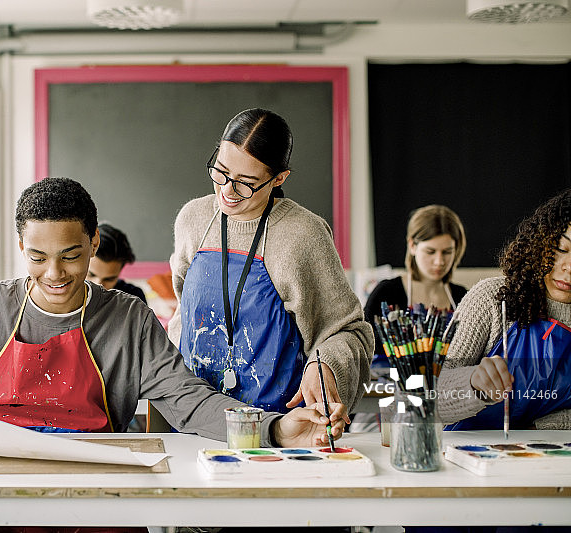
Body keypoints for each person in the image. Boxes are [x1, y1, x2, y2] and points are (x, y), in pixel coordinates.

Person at [0, 177, 346, 468]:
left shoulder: (129, 320)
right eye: (37, 257)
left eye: (71, 255)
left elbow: (189, 401)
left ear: (94, 242)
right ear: (20, 246)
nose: (55, 274)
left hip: (99, 490)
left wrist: (274, 429)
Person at [168, 108, 372, 418]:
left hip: (278, 427)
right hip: (192, 417)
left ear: (278, 178)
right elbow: (183, 314)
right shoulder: (193, 219)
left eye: (246, 182)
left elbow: (349, 332)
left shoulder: (302, 234)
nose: (227, 191)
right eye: (221, 171)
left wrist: (325, 364)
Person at [436, 188, 571, 430]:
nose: (569, 267)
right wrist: (473, 384)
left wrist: (537, 429)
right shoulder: (492, 299)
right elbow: (436, 398)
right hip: (469, 460)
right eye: (561, 248)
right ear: (541, 242)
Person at [364, 204, 468, 364]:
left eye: (447, 252)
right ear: (412, 245)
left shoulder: (464, 297)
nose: (439, 261)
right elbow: (363, 348)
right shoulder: (385, 293)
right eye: (430, 252)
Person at [86, 222, 146, 303]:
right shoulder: (64, 293)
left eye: (109, 279)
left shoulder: (133, 300)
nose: (98, 285)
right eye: (91, 274)